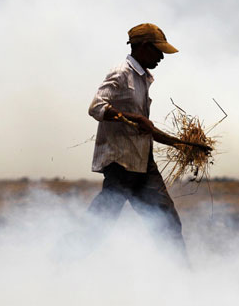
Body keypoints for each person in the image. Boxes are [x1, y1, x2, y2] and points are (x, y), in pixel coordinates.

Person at [86, 23, 208, 263]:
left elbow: (144, 128)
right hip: (120, 166)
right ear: (142, 47)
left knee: (168, 223)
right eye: (157, 50)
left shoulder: (144, 78)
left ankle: (182, 280)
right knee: (96, 228)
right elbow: (96, 107)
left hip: (143, 165)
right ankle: (57, 265)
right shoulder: (121, 73)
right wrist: (135, 117)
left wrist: (183, 145)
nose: (162, 57)